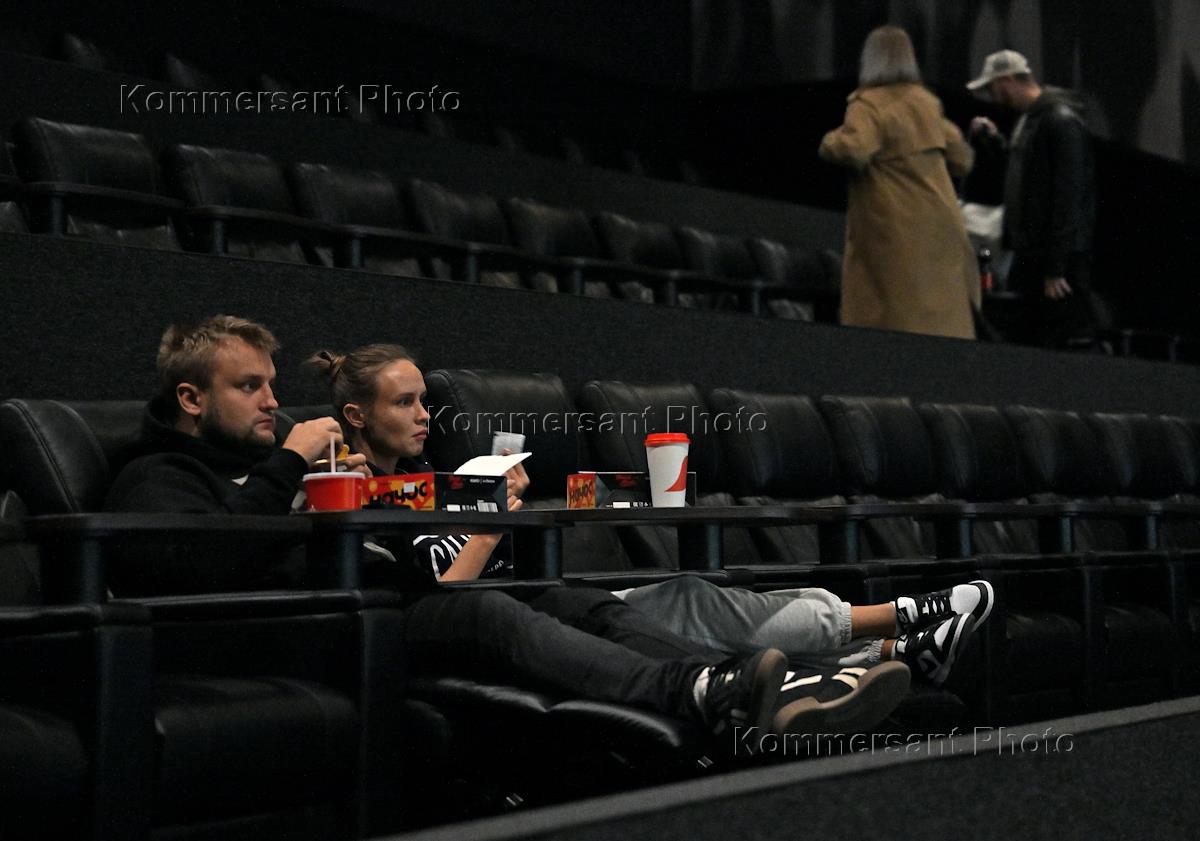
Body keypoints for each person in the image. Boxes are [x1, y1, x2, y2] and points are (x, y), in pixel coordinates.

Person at [104, 315, 912, 745]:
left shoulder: (348, 471)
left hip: (376, 600)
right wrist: (290, 466)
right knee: (494, 609)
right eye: (249, 387)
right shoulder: (158, 474)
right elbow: (202, 562)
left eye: (272, 384)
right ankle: (704, 687)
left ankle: (751, 681)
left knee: (562, 597)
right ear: (191, 398)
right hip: (314, 631)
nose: (274, 402)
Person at [313, 341, 994, 688]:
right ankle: (892, 636)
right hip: (512, 625)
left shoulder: (446, 481)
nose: (424, 415)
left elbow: (576, 500)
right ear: (356, 415)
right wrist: (491, 529)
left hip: (555, 604)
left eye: (425, 401)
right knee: (694, 607)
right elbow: (446, 606)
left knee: (695, 593)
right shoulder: (357, 493)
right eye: (404, 403)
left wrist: (644, 491)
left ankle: (890, 640)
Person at [819, 25, 980, 340]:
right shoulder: (927, 103)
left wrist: (829, 142)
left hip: (895, 232)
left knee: (891, 328)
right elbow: (962, 159)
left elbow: (854, 149)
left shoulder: (868, 104)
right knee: (942, 328)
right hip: (940, 229)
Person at [967, 49, 1098, 348]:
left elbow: (1069, 197)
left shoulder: (1060, 121)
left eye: (992, 87)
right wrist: (996, 142)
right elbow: (1029, 175)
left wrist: (1056, 268)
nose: (992, 96)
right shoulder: (1032, 120)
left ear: (1007, 80)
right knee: (1026, 340)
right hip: (1033, 254)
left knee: (1061, 344)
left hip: (1057, 262)